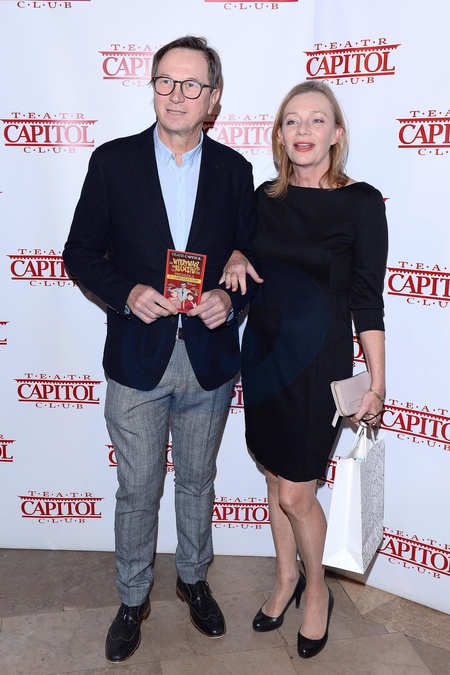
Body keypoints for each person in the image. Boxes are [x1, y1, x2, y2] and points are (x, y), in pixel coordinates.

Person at [63, 35, 258, 663]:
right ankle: (131, 599)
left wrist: (230, 300)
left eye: (191, 84)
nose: (176, 95)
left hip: (208, 360)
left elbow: (251, 263)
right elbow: (79, 252)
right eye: (165, 82)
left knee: (198, 482)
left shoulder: (235, 172)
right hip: (136, 357)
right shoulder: (112, 162)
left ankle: (193, 581)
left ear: (213, 99)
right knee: (138, 489)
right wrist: (127, 293)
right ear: (152, 88)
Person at [222, 80, 387, 659]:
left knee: (297, 492)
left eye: (317, 120)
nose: (303, 130)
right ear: (279, 133)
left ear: (336, 134)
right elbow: (241, 256)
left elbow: (368, 299)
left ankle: (317, 589)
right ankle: (285, 577)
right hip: (264, 357)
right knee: (274, 478)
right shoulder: (263, 199)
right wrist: (236, 254)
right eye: (292, 120)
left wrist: (378, 381)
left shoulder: (361, 202)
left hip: (319, 365)